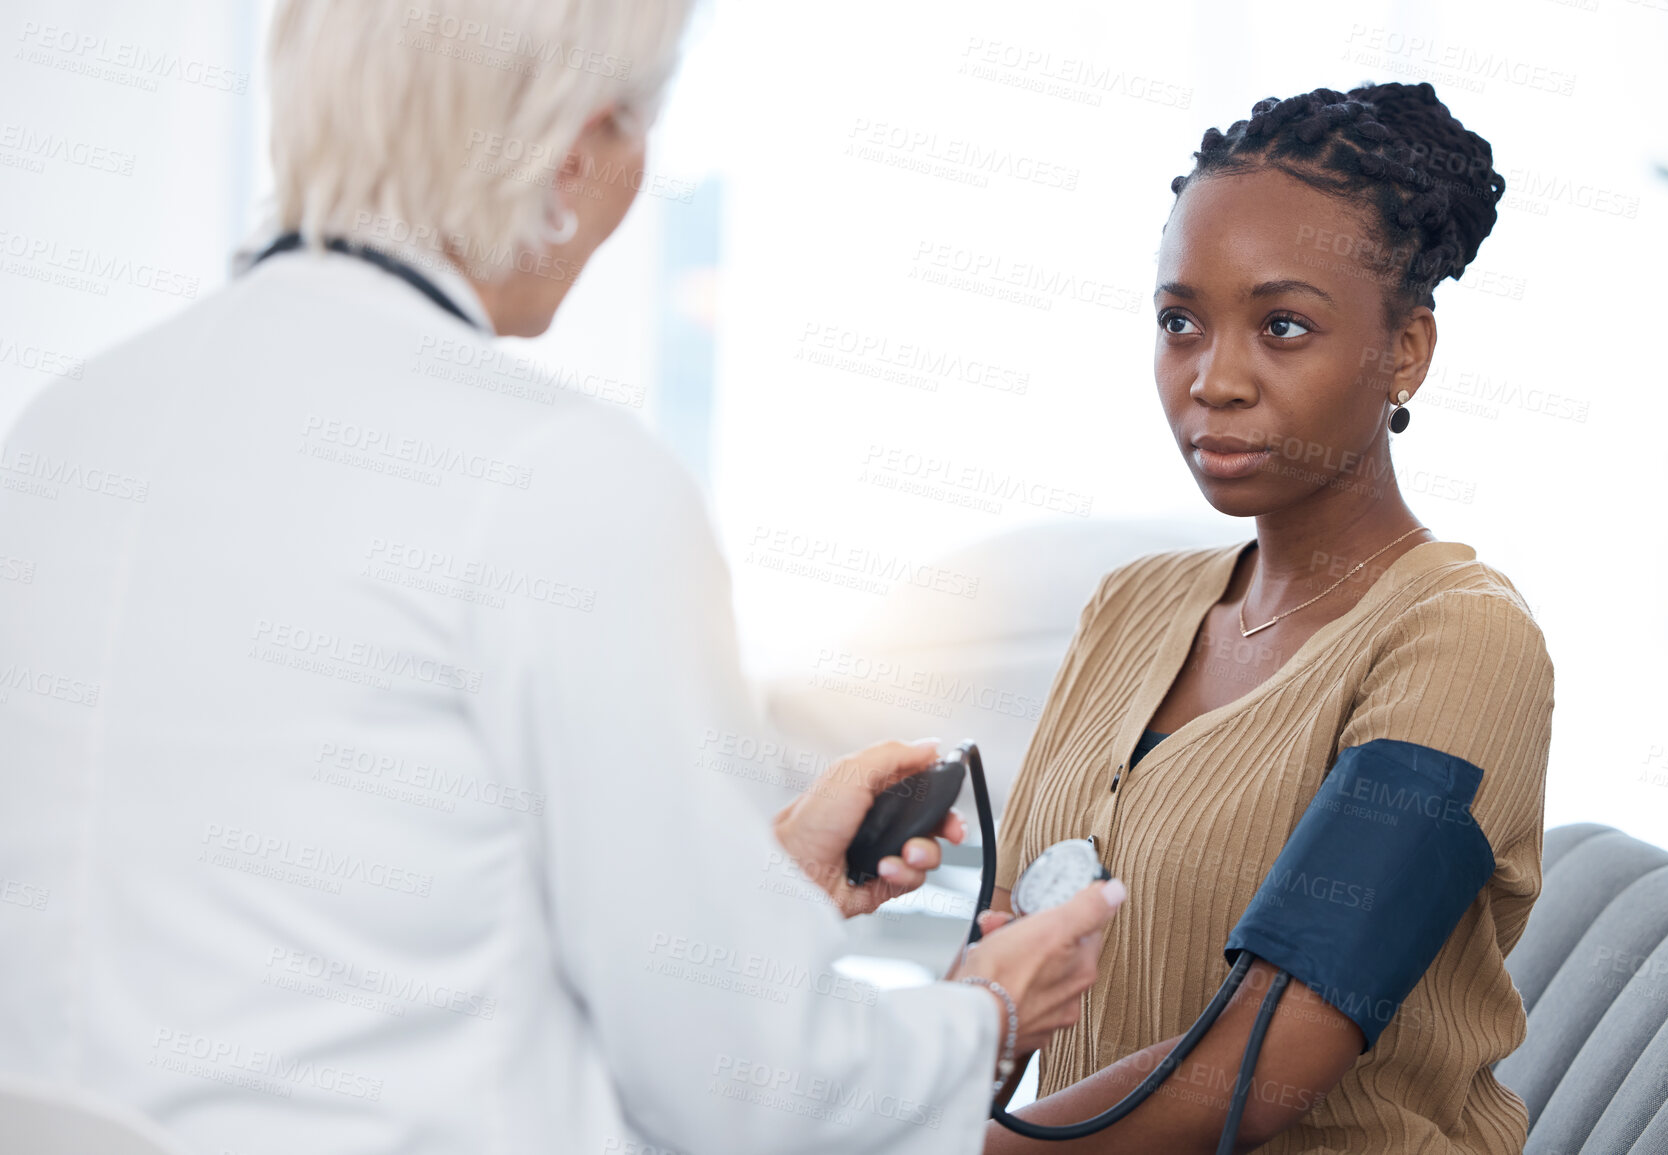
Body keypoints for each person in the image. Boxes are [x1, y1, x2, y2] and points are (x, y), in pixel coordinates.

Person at [0, 2, 1122, 1152]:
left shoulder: (69, 426)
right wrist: (983, 1015)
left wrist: (750, 895)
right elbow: (748, 1090)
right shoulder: (555, 473)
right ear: (576, 149)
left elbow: (321, 917)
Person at [978, 83, 1555, 1153]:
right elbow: (1013, 962)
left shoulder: (1464, 641)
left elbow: (1270, 1058)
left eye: (1282, 326)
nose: (1215, 379)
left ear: (1405, 352)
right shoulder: (1131, 604)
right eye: (1179, 323)